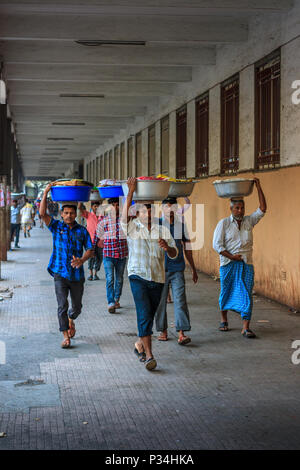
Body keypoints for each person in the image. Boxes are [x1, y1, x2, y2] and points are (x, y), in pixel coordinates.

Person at [121, 177, 178, 371]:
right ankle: (150, 356)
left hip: (158, 278)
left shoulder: (162, 229)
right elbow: (123, 218)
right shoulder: (131, 227)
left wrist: (167, 247)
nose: (148, 212)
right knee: (144, 313)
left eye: (150, 208)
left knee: (149, 315)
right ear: (137, 212)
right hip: (137, 276)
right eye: (144, 209)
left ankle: (140, 345)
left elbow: (174, 252)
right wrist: (130, 192)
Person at [39, 183, 94, 348]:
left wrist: (82, 260)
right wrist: (46, 192)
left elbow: (90, 250)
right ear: (61, 214)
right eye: (66, 213)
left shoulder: (82, 231)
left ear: (76, 214)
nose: (69, 215)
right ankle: (65, 336)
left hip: (77, 275)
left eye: (72, 213)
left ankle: (71, 320)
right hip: (59, 273)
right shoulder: (56, 227)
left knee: (76, 307)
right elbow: (42, 213)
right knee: (62, 305)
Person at [212, 177, 267, 338]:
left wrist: (258, 187)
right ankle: (224, 319)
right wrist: (232, 257)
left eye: (242, 208)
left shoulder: (249, 221)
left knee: (247, 293)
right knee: (226, 291)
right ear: (231, 209)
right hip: (228, 263)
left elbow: (263, 209)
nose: (240, 211)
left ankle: (246, 326)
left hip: (246, 263)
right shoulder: (223, 224)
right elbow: (217, 245)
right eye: (237, 208)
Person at [155, 197, 198, 345]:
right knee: (160, 302)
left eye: (173, 207)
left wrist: (193, 268)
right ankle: (163, 330)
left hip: (177, 268)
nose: (170, 210)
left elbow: (187, 248)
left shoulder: (181, 225)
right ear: (162, 209)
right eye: (167, 207)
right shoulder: (157, 224)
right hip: (160, 270)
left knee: (180, 300)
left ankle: (181, 333)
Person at [93, 197, 128, 313]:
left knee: (119, 279)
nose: (116, 207)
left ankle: (117, 299)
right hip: (108, 254)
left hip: (122, 255)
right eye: (113, 205)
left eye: (118, 205)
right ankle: (110, 302)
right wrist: (92, 250)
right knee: (110, 279)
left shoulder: (125, 220)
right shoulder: (103, 221)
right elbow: (96, 236)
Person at [78, 201, 104, 281]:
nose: (96, 208)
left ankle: (96, 273)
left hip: (100, 241)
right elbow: (79, 208)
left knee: (99, 258)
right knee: (90, 257)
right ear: (92, 207)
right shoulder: (88, 215)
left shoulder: (102, 216)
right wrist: (80, 199)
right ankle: (90, 274)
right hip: (90, 241)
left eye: (98, 206)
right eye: (95, 206)